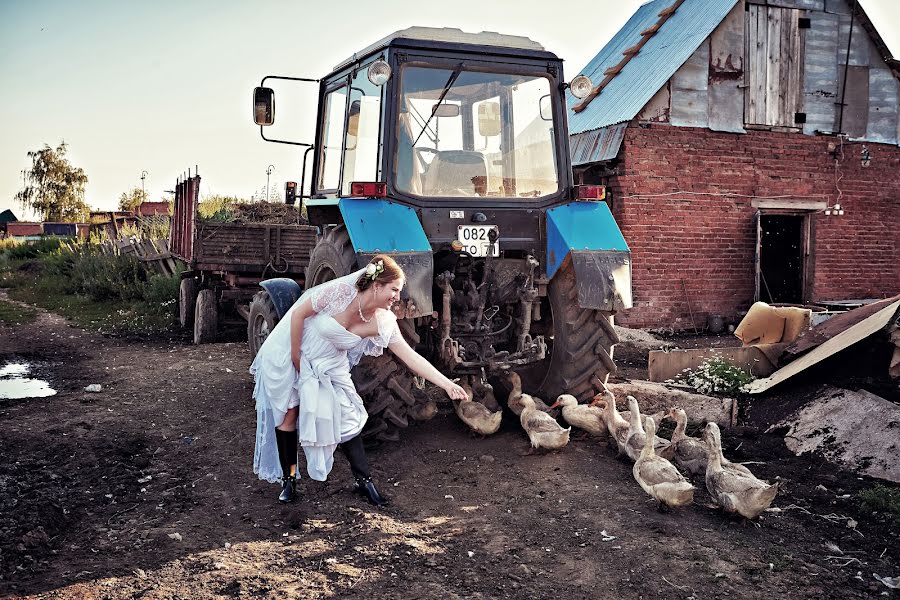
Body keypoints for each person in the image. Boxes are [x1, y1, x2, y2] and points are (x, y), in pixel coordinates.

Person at [251, 254, 467, 506]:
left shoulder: (383, 321)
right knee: (289, 413)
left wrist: (447, 384)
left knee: (348, 418)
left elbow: (411, 358)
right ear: (376, 286)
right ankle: (288, 481)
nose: (398, 296)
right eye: (394, 289)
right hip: (296, 352)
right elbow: (298, 314)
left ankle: (364, 481)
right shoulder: (338, 293)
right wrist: (296, 359)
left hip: (332, 365)